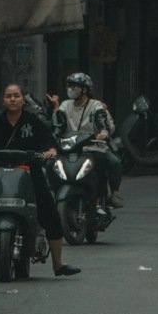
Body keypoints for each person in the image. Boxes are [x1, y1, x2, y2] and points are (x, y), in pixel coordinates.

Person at [0, 83, 81, 277]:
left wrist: (50, 151)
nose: (13, 99)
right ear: (3, 100)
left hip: (30, 172)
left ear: (23, 99)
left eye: (16, 95)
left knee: (49, 211)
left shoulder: (33, 121)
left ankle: (58, 263)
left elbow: (49, 142)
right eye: (9, 96)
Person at [53, 72, 124, 211]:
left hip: (94, 148)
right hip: (70, 149)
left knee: (112, 162)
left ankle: (112, 194)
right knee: (51, 164)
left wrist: (103, 132)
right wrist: (55, 110)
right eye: (69, 86)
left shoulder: (96, 105)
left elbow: (101, 120)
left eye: (74, 87)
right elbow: (58, 125)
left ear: (84, 89)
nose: (70, 89)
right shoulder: (65, 105)